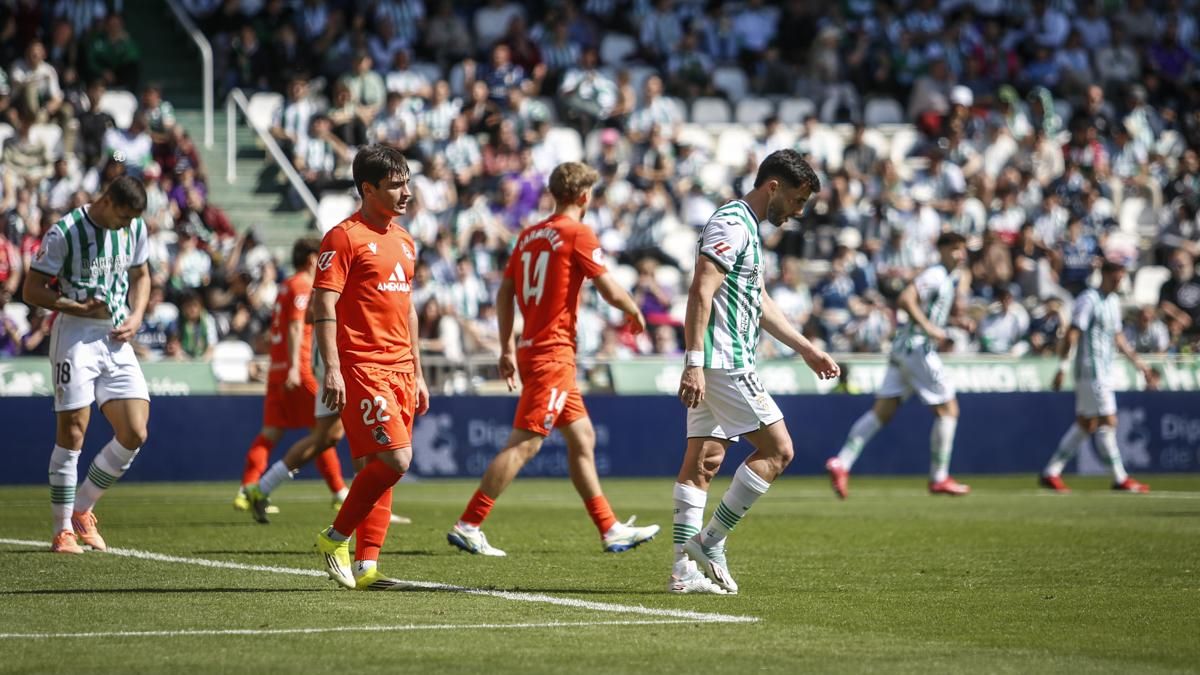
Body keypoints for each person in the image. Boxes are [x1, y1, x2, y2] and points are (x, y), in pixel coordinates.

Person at [446, 162, 659, 557]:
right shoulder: (576, 232)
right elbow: (608, 287)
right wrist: (633, 309)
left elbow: (505, 291)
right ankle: (469, 523)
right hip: (552, 353)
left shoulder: (528, 236)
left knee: (583, 436)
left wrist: (507, 346)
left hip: (533, 348)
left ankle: (609, 528)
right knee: (525, 444)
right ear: (583, 196)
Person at [670, 150, 840, 595]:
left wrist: (807, 349)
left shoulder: (747, 228)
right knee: (779, 451)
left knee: (703, 464)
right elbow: (701, 288)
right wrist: (694, 362)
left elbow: (758, 302)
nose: (798, 212)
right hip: (723, 361)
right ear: (774, 187)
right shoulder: (731, 222)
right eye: (798, 201)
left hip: (717, 362)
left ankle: (682, 574)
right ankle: (710, 541)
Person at [313, 145, 428, 591]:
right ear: (368, 188)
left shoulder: (404, 239)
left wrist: (417, 372)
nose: (407, 193)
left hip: (401, 368)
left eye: (407, 182)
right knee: (397, 460)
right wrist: (333, 369)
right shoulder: (343, 237)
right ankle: (334, 537)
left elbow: (409, 309)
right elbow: (325, 303)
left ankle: (367, 567)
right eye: (396, 184)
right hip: (363, 366)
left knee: (379, 466)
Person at [22, 176, 151, 554]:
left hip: (116, 335)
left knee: (135, 431)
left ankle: (83, 509)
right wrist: (77, 308)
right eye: (123, 217)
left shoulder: (136, 227)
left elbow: (141, 274)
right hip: (76, 333)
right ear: (108, 201)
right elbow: (31, 289)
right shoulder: (65, 232)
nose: (127, 226)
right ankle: (62, 529)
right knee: (73, 431)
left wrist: (138, 315)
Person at [826, 232, 973, 500]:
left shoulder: (947, 279)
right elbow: (906, 299)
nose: (960, 254)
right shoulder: (936, 274)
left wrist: (953, 323)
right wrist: (930, 328)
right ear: (941, 250)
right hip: (917, 348)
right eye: (955, 248)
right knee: (949, 409)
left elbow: (928, 309)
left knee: (882, 412)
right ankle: (939, 477)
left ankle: (841, 463)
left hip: (903, 348)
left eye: (963, 249)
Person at [235, 237, 347, 522]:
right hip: (299, 370)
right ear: (312, 260)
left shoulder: (285, 286)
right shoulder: (301, 285)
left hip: (278, 369)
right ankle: (339, 492)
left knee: (272, 432)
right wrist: (297, 368)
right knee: (325, 433)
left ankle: (248, 488)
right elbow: (297, 325)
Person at [1039, 260, 1154, 494]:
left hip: (1104, 369)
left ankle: (1051, 472)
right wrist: (1062, 367)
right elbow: (1072, 334)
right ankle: (1120, 478)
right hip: (1091, 370)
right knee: (1108, 421)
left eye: (1122, 276)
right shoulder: (1088, 299)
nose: (1119, 280)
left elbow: (1118, 337)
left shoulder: (1113, 302)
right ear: (1105, 275)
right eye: (1116, 276)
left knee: (1086, 423)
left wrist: (1139, 364)